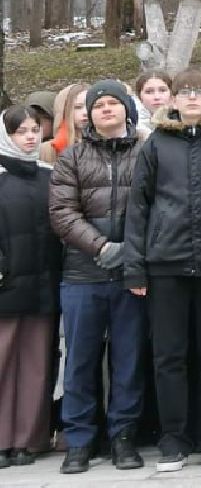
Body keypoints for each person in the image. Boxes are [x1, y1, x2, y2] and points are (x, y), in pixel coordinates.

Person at [124, 65, 201, 472]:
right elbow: (138, 208)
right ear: (173, 101)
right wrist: (136, 269)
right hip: (166, 266)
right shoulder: (157, 145)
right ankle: (173, 439)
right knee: (169, 356)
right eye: (186, 93)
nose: (193, 98)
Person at [48, 79, 146, 474]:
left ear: (126, 109)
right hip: (82, 275)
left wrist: (132, 250)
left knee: (128, 360)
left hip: (133, 275)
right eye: (99, 104)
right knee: (81, 361)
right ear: (89, 114)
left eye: (113, 103)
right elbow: (62, 212)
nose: (107, 109)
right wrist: (102, 247)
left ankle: (123, 436)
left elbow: (159, 204)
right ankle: (80, 440)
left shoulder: (147, 152)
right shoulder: (72, 157)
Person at [0, 106, 62, 466]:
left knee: (36, 364)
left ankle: (27, 440)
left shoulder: (49, 175)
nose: (29, 137)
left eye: (34, 130)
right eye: (20, 131)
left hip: (43, 285)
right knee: (4, 361)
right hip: (6, 287)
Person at [49, 83, 90, 161]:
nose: (85, 112)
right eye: (78, 107)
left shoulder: (106, 143)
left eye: (89, 106)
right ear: (64, 110)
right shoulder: (50, 149)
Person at [133, 71, 172, 137]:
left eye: (162, 90)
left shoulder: (187, 124)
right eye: (149, 92)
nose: (157, 97)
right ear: (139, 96)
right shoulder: (132, 130)